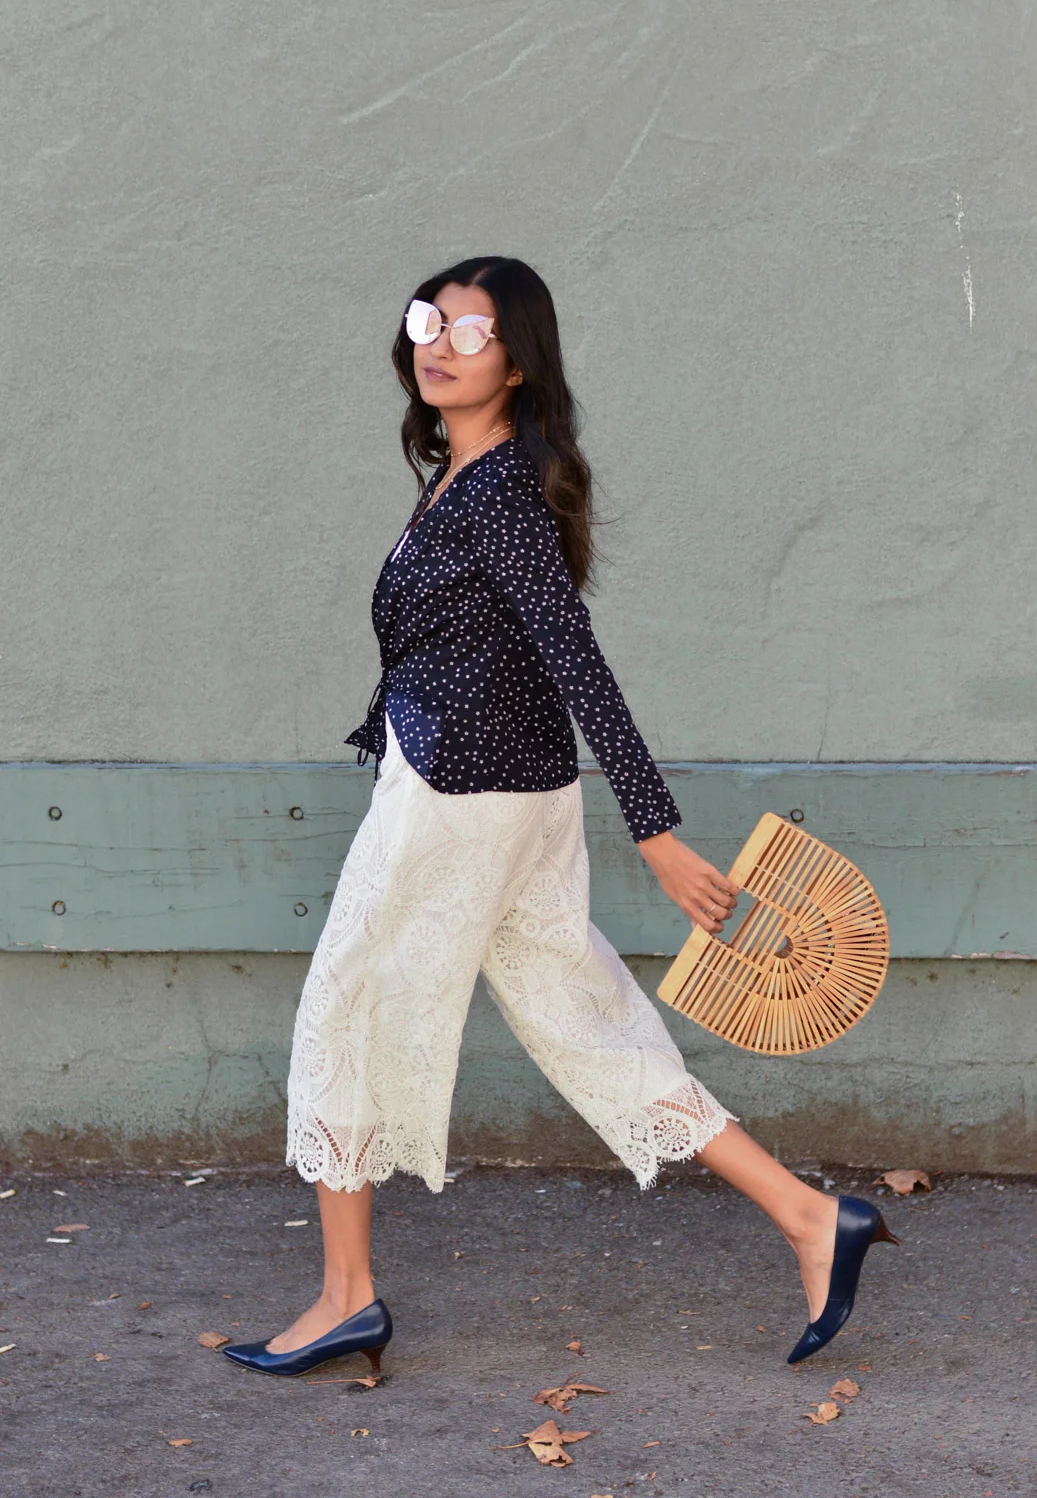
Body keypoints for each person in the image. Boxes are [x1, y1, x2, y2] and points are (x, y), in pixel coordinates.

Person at [221, 255, 896, 1380]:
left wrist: (656, 830)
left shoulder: (496, 493)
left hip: (458, 798)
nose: (439, 345)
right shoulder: (462, 477)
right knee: (583, 1018)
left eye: (470, 332)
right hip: (505, 793)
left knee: (346, 1007)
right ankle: (811, 1216)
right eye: (428, 322)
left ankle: (346, 1298)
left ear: (519, 363)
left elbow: (575, 659)